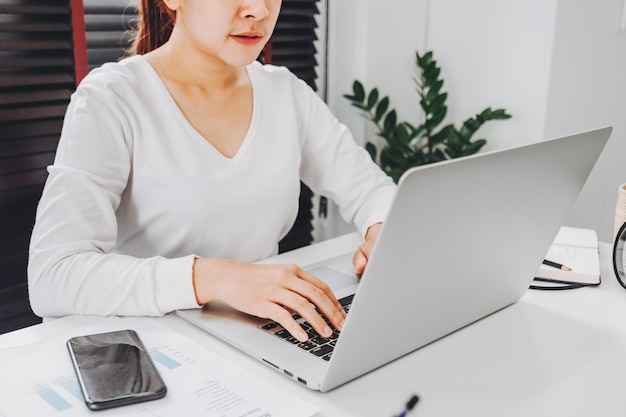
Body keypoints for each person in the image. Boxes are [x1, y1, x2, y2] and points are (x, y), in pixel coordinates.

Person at [28, 0, 396, 343]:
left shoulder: (285, 92)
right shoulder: (112, 98)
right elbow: (53, 276)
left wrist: (381, 229)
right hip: (152, 348)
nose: (258, 10)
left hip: (257, 336)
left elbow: (370, 191)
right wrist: (212, 278)